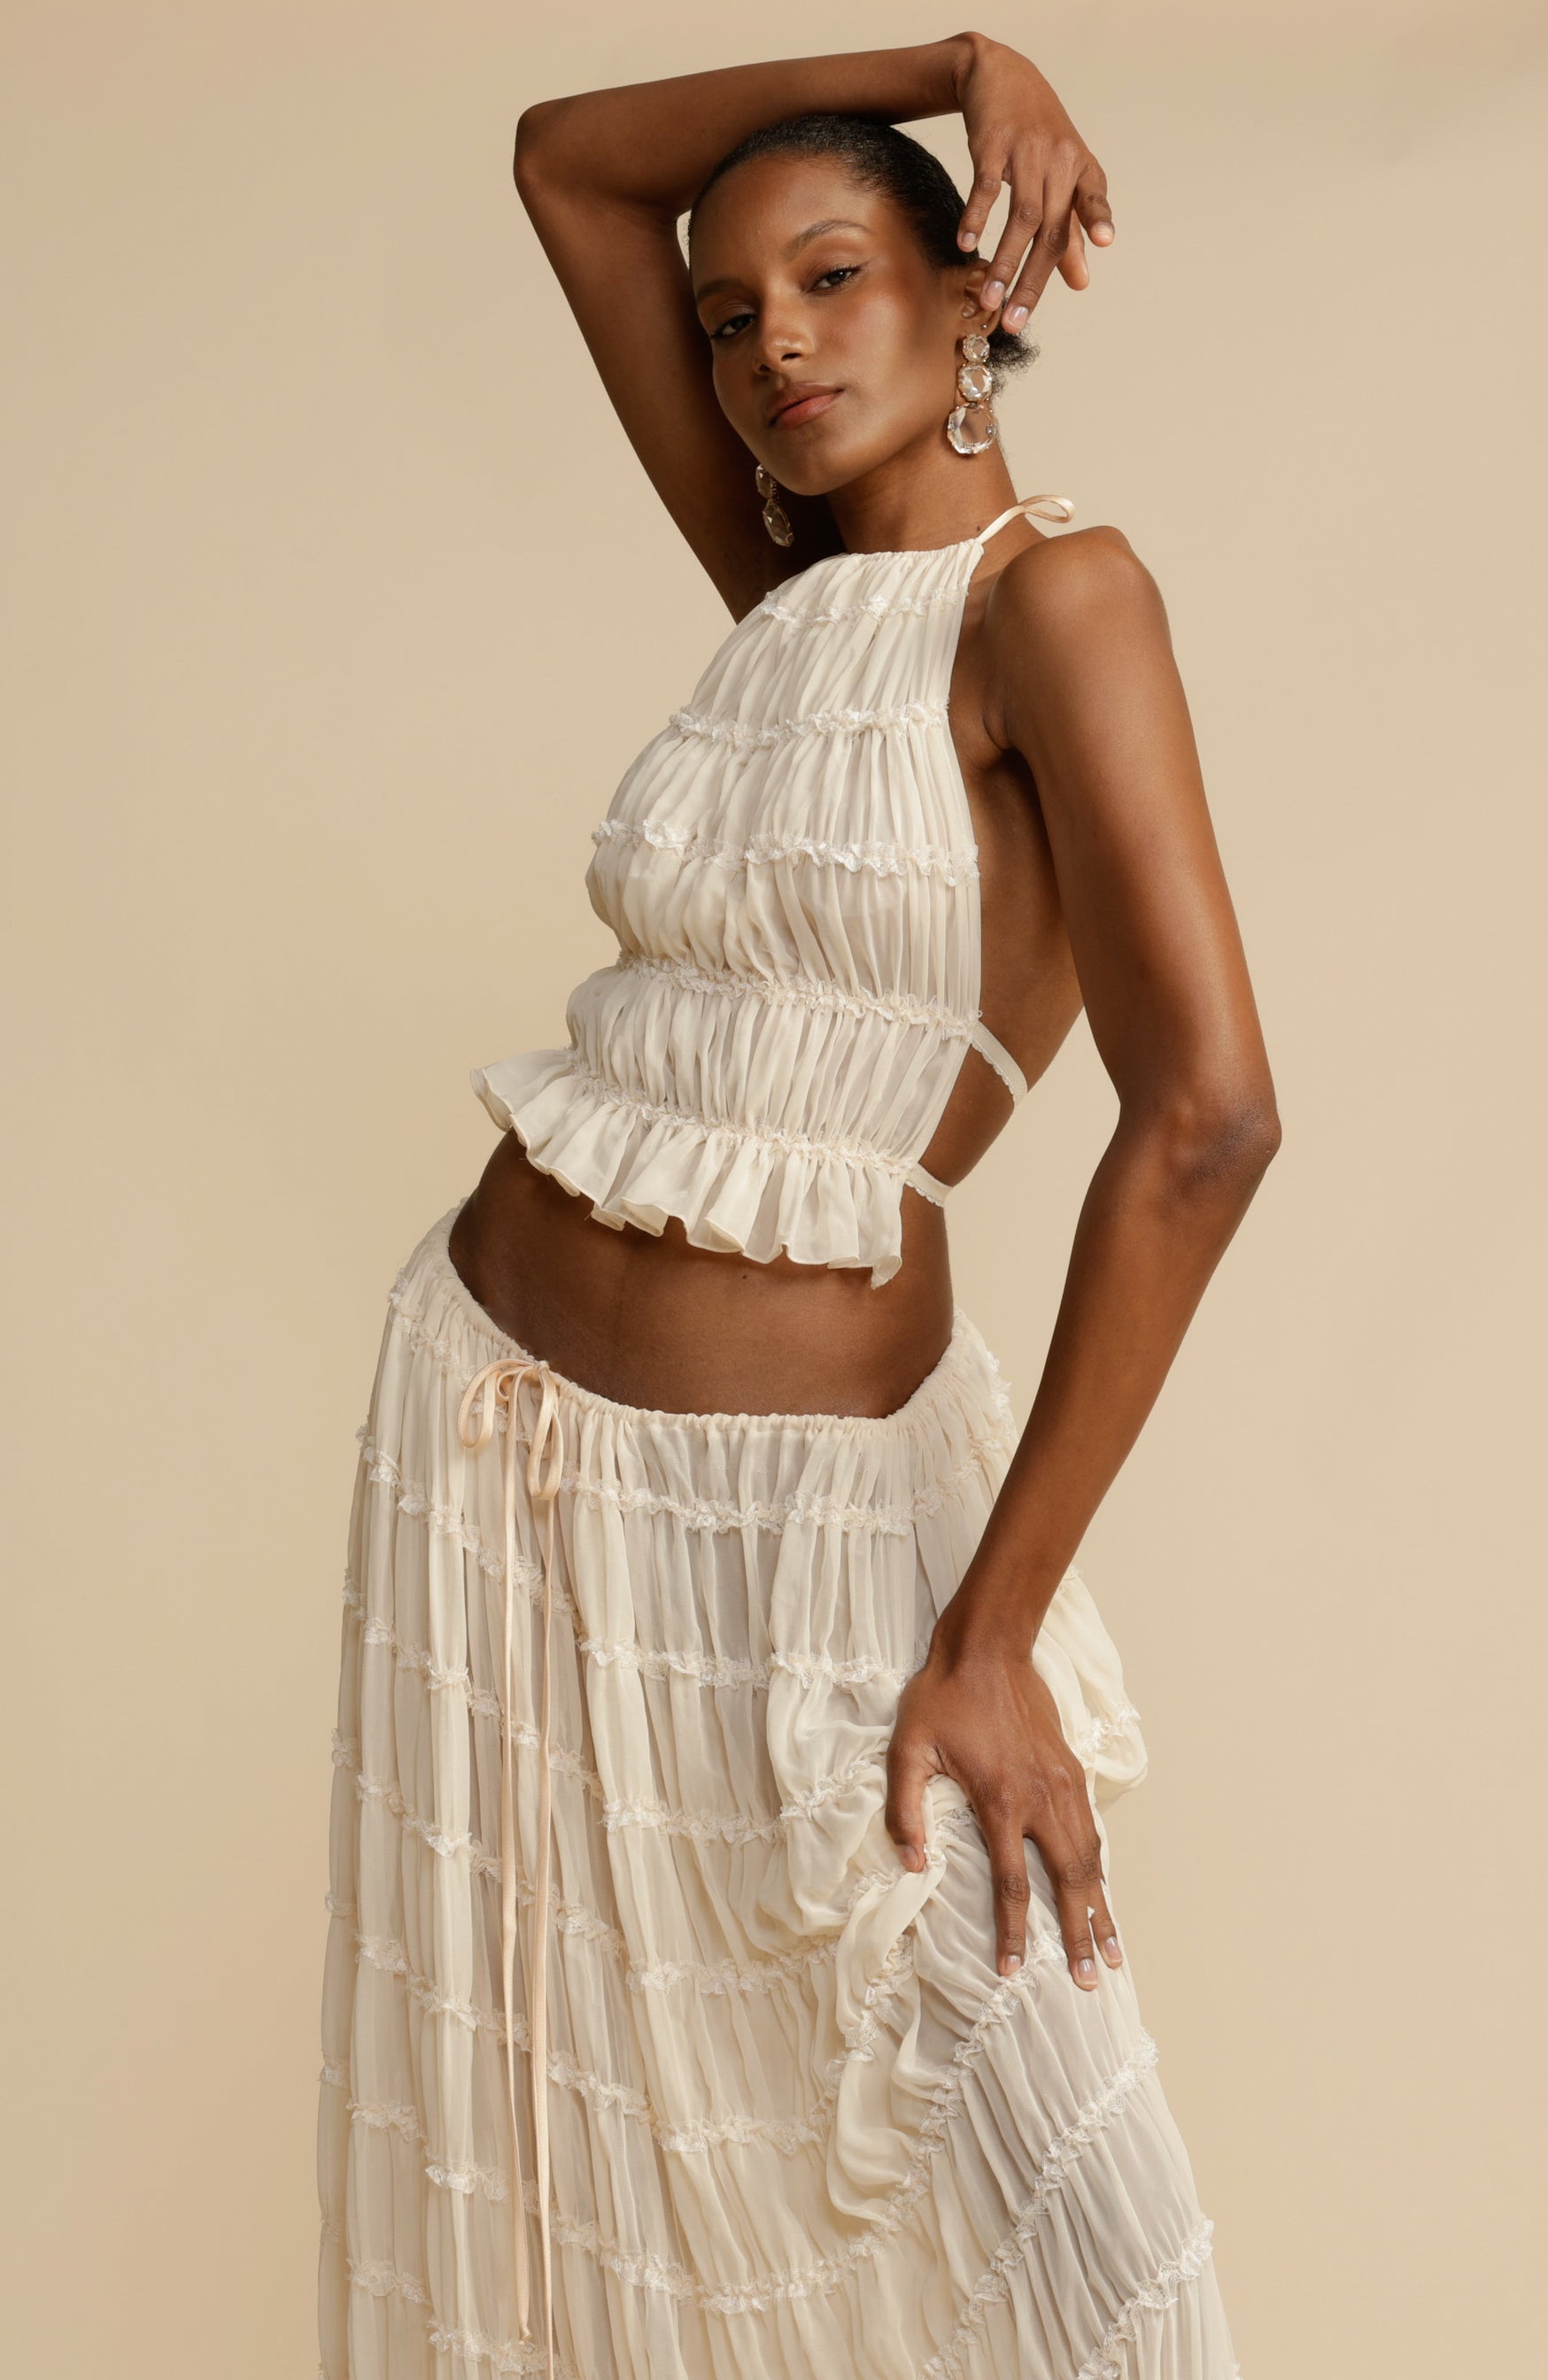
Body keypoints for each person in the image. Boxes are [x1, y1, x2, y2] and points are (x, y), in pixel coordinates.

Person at [317, 33, 1276, 2380]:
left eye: (835, 277)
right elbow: (565, 164)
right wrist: (952, 51)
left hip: (821, 1518)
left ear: (973, 291)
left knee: (1083, 2223)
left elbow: (1209, 1119)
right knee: (582, 2201)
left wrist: (994, 1643)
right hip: (498, 1456)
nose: (774, 350)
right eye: (732, 315)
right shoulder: (789, 582)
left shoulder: (1053, 605)